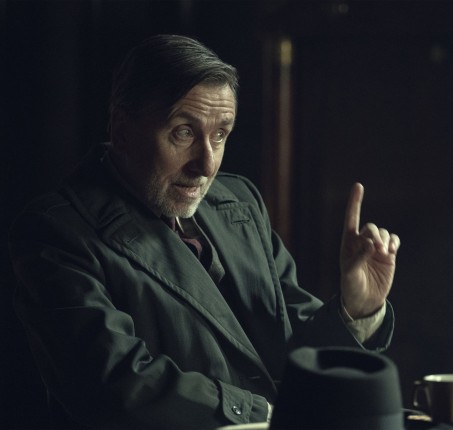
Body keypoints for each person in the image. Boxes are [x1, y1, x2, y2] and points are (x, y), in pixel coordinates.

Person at [9, 34, 400, 429]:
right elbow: (113, 385)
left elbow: (293, 350)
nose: (207, 164)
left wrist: (355, 309)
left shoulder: (240, 202)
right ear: (122, 130)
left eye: (220, 134)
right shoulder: (57, 231)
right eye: (184, 132)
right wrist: (265, 413)